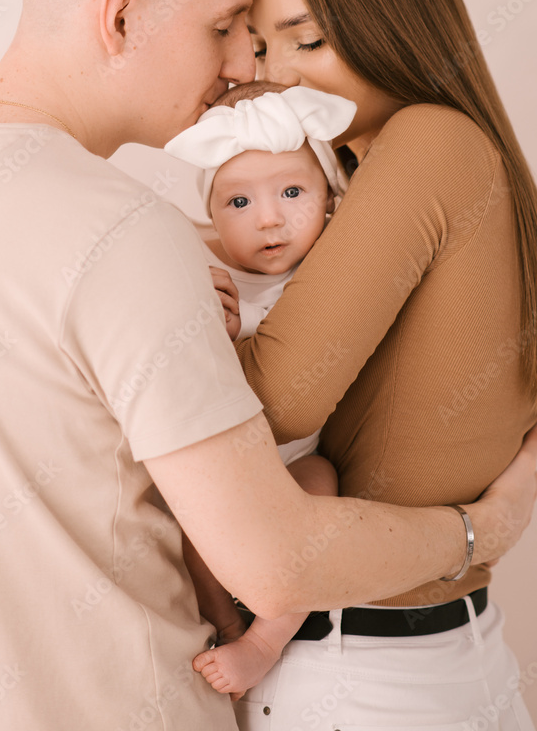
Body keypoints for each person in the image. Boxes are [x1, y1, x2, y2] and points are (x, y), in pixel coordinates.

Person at [0, 0, 536, 731]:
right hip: (338, 672)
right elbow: (273, 546)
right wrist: (479, 532)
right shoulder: (121, 234)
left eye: (277, 38)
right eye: (231, 30)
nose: (246, 73)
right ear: (119, 16)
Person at [226, 0, 537, 729]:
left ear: (387, 22)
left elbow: (274, 401)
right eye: (259, 49)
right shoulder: (452, 160)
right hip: (455, 658)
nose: (277, 79)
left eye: (308, 41)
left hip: (363, 678)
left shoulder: (427, 142)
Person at [164, 79, 355, 698]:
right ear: (213, 213)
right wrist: (209, 330)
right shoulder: (211, 279)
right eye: (238, 203)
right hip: (223, 467)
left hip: (296, 461)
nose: (268, 218)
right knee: (186, 515)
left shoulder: (335, 273)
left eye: (292, 192)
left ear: (330, 198)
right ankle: (223, 622)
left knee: (321, 487)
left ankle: (266, 639)